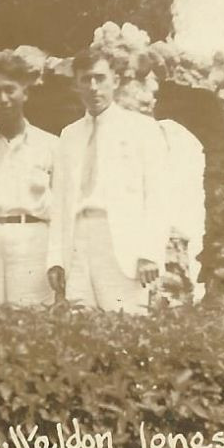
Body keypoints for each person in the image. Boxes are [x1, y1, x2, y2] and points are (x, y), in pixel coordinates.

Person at [46, 47, 173, 314]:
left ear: (115, 80)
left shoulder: (142, 129)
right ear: (76, 85)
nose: (93, 87)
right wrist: (56, 258)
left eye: (100, 78)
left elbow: (159, 196)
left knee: (127, 322)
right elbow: (59, 201)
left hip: (120, 244)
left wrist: (149, 252)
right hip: (77, 241)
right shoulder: (68, 136)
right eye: (85, 80)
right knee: (81, 323)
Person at [0, 54, 57, 306]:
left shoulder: (50, 145)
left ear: (25, 93)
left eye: (10, 90)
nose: (3, 99)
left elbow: (61, 206)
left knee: (32, 318)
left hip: (33, 240)